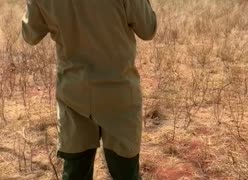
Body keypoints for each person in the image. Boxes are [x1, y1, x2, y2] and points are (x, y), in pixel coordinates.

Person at [22, 0, 157, 179]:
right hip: (119, 95)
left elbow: (30, 35)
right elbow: (148, 29)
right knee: (126, 172)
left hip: (74, 95)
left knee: (76, 172)